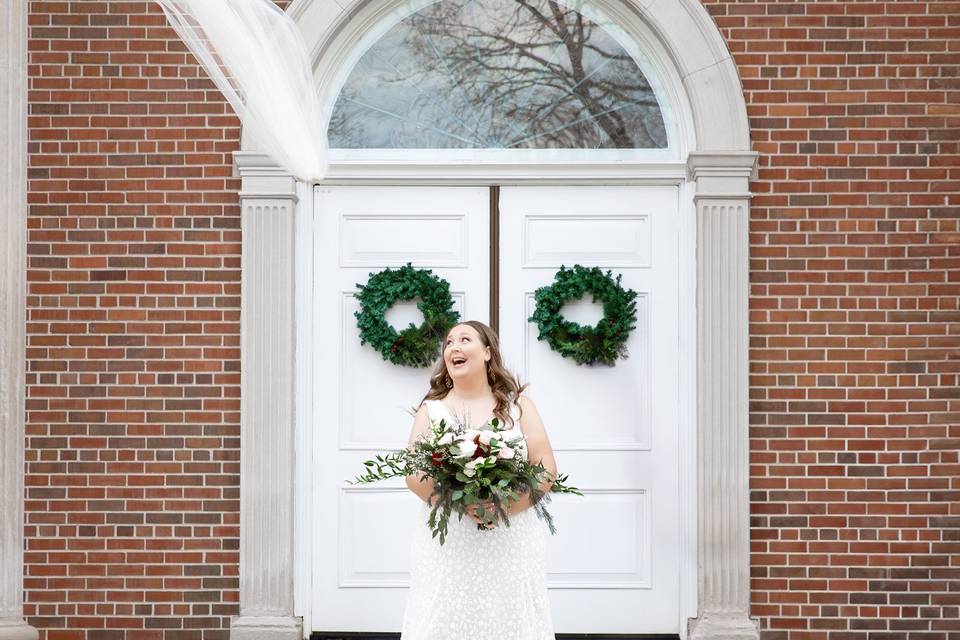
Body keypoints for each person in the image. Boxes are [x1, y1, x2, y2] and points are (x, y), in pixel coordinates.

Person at [400, 320, 558, 640]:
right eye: (448, 343)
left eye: (464, 339)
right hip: (450, 539)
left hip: (511, 538)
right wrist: (460, 504)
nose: (453, 347)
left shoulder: (518, 407)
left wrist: (506, 505)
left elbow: (544, 467)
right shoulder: (432, 410)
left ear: (487, 353)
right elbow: (415, 473)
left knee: (509, 616)